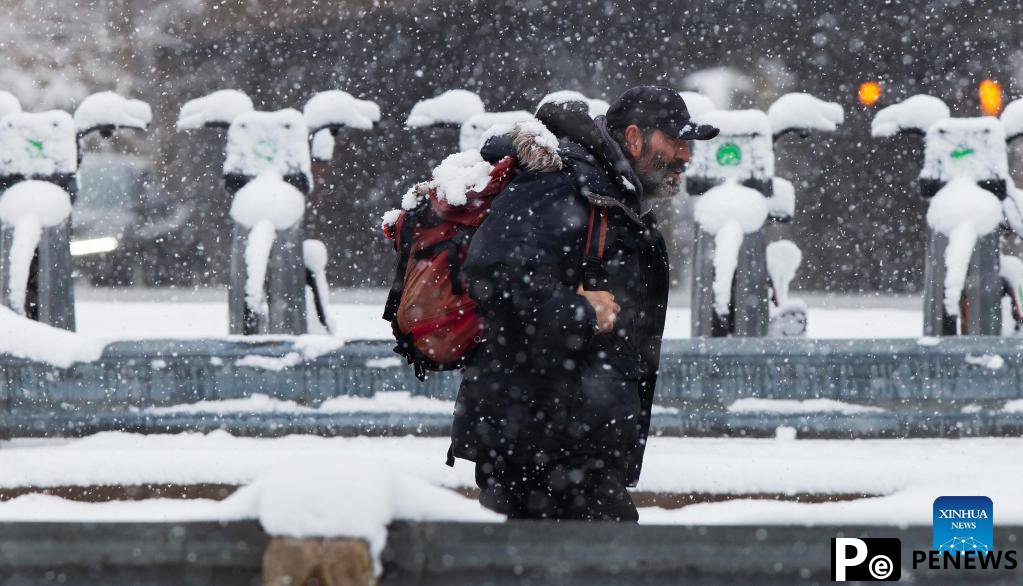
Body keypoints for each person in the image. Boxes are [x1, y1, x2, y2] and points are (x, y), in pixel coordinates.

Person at [448, 86, 719, 521]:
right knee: (609, 558)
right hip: (537, 439)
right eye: (677, 141)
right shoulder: (562, 184)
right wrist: (580, 312)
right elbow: (492, 273)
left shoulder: (614, 196)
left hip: (569, 437)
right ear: (634, 137)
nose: (687, 156)